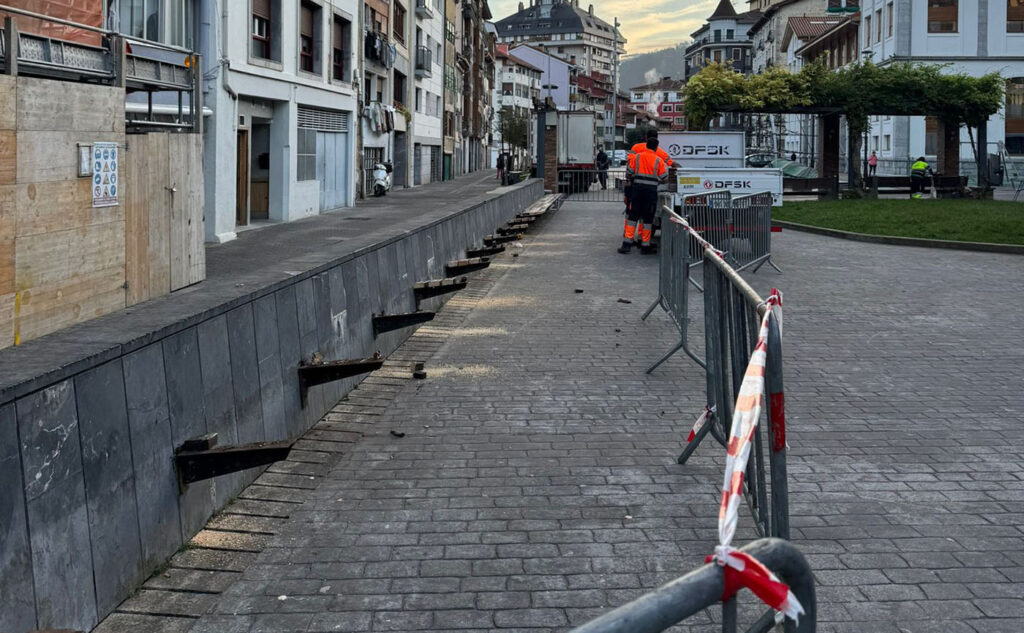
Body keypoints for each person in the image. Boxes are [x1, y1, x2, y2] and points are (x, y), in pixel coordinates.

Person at [620, 138, 668, 255]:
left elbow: (628, 173)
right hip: (650, 193)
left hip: (637, 191)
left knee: (632, 217)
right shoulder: (658, 160)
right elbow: (665, 178)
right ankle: (645, 246)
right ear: (656, 147)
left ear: (646, 146)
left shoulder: (637, 157)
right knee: (647, 219)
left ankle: (627, 244)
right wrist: (656, 182)